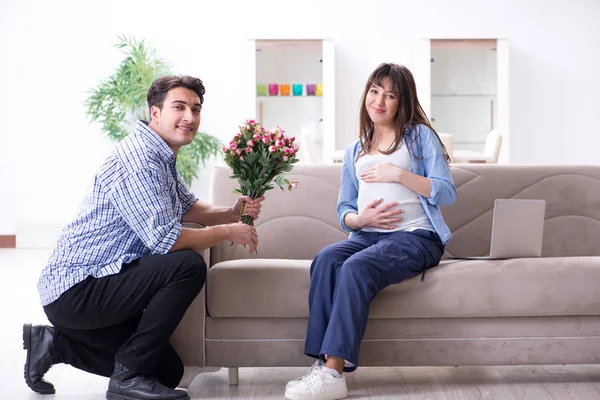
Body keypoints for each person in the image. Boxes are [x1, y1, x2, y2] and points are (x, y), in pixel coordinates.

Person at [23, 75, 264, 400]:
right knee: (187, 265)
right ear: (155, 113)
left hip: (103, 282)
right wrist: (227, 232)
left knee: (167, 371)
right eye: (179, 107)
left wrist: (231, 213)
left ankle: (54, 345)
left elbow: (187, 206)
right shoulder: (139, 161)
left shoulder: (160, 154)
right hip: (77, 290)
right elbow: (166, 239)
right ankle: (128, 377)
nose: (189, 118)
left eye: (195, 109)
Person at [284, 63, 457, 400]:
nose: (379, 100)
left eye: (390, 95)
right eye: (375, 91)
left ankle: (334, 373)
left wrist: (398, 174)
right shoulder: (356, 148)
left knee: (356, 267)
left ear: (402, 102)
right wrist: (359, 221)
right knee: (326, 259)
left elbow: (446, 192)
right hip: (366, 237)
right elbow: (344, 209)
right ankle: (322, 366)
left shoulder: (420, 136)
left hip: (417, 237)